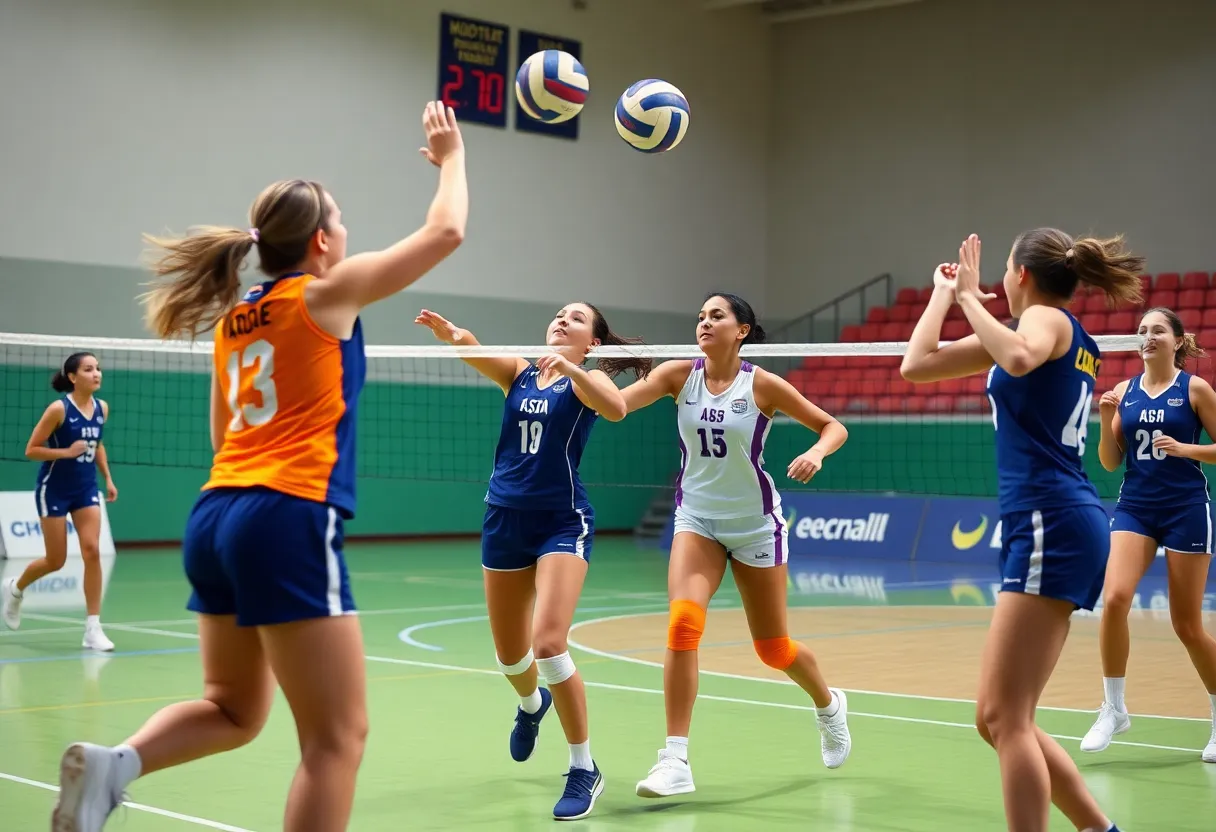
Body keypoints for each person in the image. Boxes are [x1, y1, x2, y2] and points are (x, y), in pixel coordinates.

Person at [50, 101, 468, 832]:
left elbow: (221, 437)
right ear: (320, 241)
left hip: (216, 515)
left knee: (235, 709)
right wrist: (453, 155)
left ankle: (115, 768)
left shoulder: (234, 320)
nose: (346, 233)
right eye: (340, 222)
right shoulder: (326, 294)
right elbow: (446, 231)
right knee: (338, 739)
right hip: (287, 512)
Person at [900, 230, 1135, 832]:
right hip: (1053, 518)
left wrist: (973, 301)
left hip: (1051, 517)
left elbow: (1021, 357)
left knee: (1005, 718)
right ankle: (1098, 828)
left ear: (1022, 276)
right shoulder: (1029, 333)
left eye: (1004, 270)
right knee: (1000, 718)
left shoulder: (1050, 324)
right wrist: (945, 294)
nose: (1000, 279)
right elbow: (916, 365)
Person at [415, 303, 648, 820]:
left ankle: (583, 767)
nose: (562, 321)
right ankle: (530, 704)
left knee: (548, 643)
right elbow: (474, 350)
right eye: (559, 314)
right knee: (510, 658)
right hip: (504, 519)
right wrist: (454, 333)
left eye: (577, 319)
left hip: (562, 522)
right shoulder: (520, 373)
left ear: (593, 344)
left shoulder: (585, 382)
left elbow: (616, 408)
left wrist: (572, 369)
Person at [614, 292, 851, 799]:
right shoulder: (679, 376)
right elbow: (616, 406)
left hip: (755, 526)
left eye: (716, 316)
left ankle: (829, 705)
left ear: (741, 330)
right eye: (700, 316)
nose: (704, 322)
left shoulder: (761, 384)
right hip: (697, 518)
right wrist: (574, 372)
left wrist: (816, 452)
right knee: (683, 624)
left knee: (773, 649)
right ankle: (674, 758)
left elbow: (834, 427)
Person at [1083, 306, 1216, 762]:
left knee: (1187, 626)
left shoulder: (1195, 388)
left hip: (1185, 509)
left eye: (1157, 330)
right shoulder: (1124, 391)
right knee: (1114, 599)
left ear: (1177, 341)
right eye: (1142, 331)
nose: (1147, 337)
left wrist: (1186, 449)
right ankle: (1113, 709)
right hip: (1136, 507)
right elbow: (1108, 462)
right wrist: (1105, 420)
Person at [2, 351, 118, 651]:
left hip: (85, 488)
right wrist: (67, 452)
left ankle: (93, 627)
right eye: (89, 369)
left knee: (91, 550)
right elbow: (31, 449)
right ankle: (16, 588)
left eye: (98, 369)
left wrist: (107, 477)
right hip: (53, 488)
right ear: (72, 377)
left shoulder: (101, 407)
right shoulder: (58, 409)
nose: (97, 374)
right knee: (56, 560)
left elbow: (97, 443)